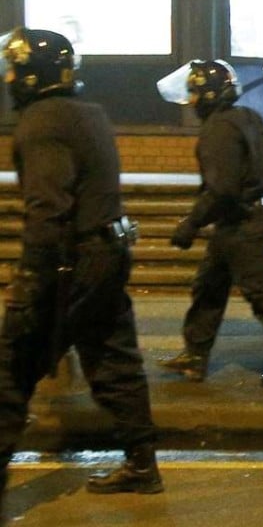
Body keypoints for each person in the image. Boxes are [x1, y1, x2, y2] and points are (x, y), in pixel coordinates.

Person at [0, 28, 162, 503]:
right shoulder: (88, 113)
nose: (9, 78)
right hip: (107, 253)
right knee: (114, 359)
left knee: (11, 369)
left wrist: (29, 284)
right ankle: (142, 464)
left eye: (14, 69)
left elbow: (48, 211)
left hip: (72, 261)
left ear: (31, 75)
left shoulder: (41, 122)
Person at [156, 59, 263, 387]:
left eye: (195, 93)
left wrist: (191, 224)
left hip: (239, 222)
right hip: (247, 216)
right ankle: (195, 354)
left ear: (208, 95)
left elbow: (222, 190)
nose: (192, 100)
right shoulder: (247, 117)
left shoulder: (218, 129)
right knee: (209, 287)